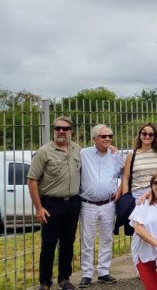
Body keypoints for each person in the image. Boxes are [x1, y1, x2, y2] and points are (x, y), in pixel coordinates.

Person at [27, 116, 82, 290]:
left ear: (70, 131)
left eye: (65, 129)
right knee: (49, 244)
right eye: (58, 128)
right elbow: (32, 180)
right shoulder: (44, 152)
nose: (61, 131)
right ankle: (45, 282)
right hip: (51, 204)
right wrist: (39, 208)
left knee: (68, 242)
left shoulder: (77, 150)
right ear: (54, 130)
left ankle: (64, 279)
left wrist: (109, 147)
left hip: (73, 203)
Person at [78, 124, 123, 287]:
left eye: (110, 136)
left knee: (107, 238)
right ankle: (87, 273)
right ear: (94, 138)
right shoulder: (83, 154)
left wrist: (120, 189)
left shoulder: (115, 155)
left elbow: (125, 173)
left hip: (108, 204)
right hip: (88, 204)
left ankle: (104, 271)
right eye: (103, 136)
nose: (108, 139)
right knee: (87, 240)